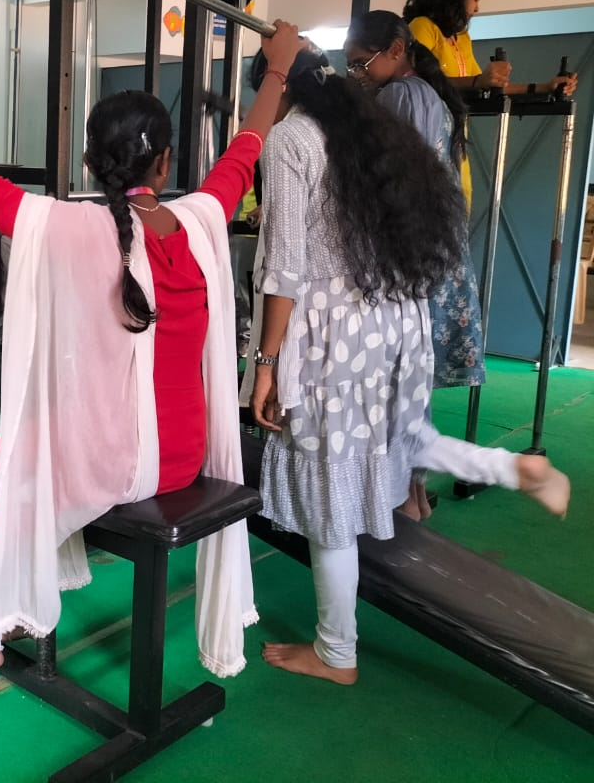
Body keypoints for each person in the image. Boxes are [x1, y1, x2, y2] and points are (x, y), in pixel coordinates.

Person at [0, 20, 306, 676]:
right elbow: (245, 150)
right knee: (24, 465)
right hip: (184, 457)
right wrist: (278, 67)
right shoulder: (201, 220)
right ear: (166, 162)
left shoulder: (63, 225)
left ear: (88, 164)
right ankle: (14, 591)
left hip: (110, 465)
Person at [243, 43, 571, 686]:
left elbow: (283, 268)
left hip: (332, 334)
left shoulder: (290, 140)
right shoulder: (371, 133)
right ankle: (516, 469)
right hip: (392, 322)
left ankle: (336, 651)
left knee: (329, 495)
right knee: (405, 436)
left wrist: (267, 361)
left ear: (279, 89)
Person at [345, 10, 487, 518]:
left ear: (396, 50)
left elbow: (395, 181)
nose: (357, 75)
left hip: (409, 256)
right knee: (413, 380)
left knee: (398, 380)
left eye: (362, 64)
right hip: (434, 250)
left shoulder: (400, 97)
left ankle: (405, 496)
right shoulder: (428, 96)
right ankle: (415, 494)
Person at [402, 0, 579, 209]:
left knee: (457, 214)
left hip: (455, 144)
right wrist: (477, 82)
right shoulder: (422, 27)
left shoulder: (461, 38)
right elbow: (419, 82)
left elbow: (487, 85)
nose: (477, 8)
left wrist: (544, 87)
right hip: (426, 144)